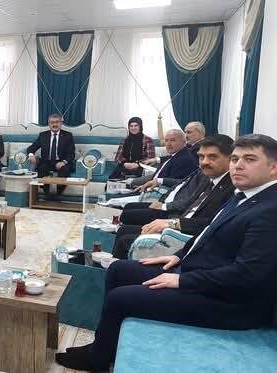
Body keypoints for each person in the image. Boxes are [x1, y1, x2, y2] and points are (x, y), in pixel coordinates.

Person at [56, 134, 277, 371]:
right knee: (119, 270)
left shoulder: (269, 211)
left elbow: (247, 275)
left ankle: (97, 360)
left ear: (273, 168)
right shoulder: (245, 195)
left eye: (250, 159)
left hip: (230, 302)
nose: (238, 165)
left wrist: (181, 280)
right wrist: (179, 256)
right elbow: (208, 232)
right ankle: (105, 345)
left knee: (119, 298)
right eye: (235, 159)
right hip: (201, 272)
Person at [112, 135, 235, 259]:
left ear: (231, 159)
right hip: (179, 222)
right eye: (201, 157)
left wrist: (172, 222)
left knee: (124, 241)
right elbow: (190, 201)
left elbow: (214, 224)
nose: (204, 162)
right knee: (124, 231)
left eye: (212, 157)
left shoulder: (232, 187)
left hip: (189, 236)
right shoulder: (209, 177)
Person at [128, 129, 199, 188]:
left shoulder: (184, 160)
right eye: (166, 140)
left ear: (184, 142)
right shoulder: (177, 154)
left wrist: (147, 189)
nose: (168, 144)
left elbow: (174, 186)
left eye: (173, 140)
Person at [25, 114, 75, 196]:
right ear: (49, 124)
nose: (55, 124)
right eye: (52, 122)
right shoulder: (43, 135)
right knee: (42, 168)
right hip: (47, 162)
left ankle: (58, 193)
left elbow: (71, 153)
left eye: (57, 122)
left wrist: (63, 162)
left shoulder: (68, 135)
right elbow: (32, 148)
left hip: (61, 162)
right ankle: (47, 193)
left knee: (65, 169)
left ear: (61, 123)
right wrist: (31, 155)